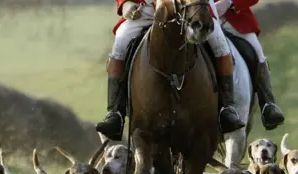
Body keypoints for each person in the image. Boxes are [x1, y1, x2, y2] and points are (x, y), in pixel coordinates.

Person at [95, 0, 246, 141]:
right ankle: (115, 113)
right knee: (119, 46)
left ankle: (227, 109)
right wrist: (125, 3)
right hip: (145, 10)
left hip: (191, 8)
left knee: (221, 47)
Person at [214, 0, 284, 130]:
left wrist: (229, 2)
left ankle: (268, 104)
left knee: (257, 52)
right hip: (198, 19)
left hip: (233, 20)